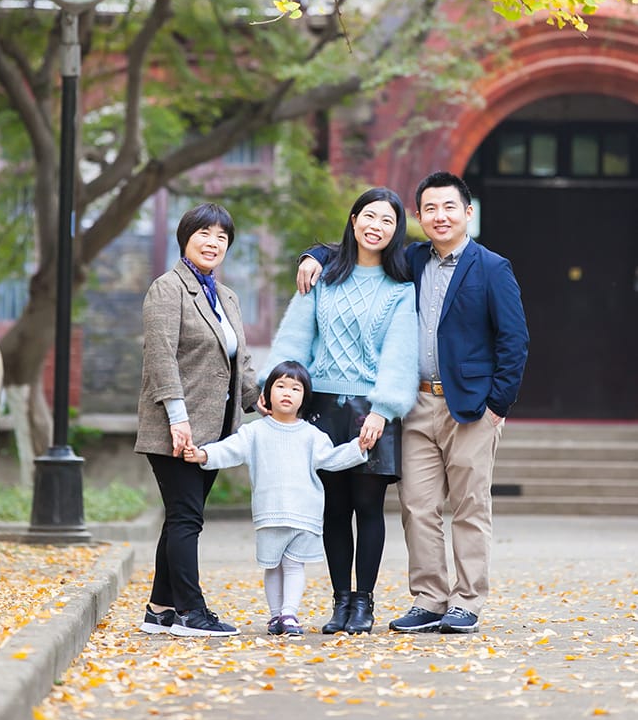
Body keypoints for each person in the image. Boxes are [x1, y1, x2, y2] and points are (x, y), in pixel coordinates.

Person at [297, 171, 529, 635]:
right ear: (419, 217)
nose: (439, 217)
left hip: (471, 409)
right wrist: (313, 255)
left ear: (467, 212)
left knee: (468, 507)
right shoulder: (412, 259)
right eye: (430, 210)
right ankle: (429, 599)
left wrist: (496, 407)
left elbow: (514, 341)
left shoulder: (492, 267)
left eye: (449, 208)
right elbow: (359, 245)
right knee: (417, 507)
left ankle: (466, 600)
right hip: (416, 405)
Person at [262, 187, 419, 635]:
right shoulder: (322, 277)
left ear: (396, 231)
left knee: (369, 507)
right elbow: (295, 337)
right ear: (353, 221)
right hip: (322, 407)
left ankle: (364, 603)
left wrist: (382, 409)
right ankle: (339, 602)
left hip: (371, 409)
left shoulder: (400, 288)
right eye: (369, 216)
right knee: (332, 508)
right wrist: (272, 386)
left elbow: (400, 353)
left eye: (387, 221)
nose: (376, 226)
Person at [135, 203, 260, 638]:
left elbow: (239, 358)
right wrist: (176, 416)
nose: (213, 242)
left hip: (216, 430)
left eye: (222, 236)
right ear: (186, 237)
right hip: (176, 428)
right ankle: (192, 611)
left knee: (181, 517)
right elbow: (160, 357)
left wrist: (256, 400)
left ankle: (160, 609)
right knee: (188, 518)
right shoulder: (167, 289)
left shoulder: (226, 297)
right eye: (204, 233)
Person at [183, 360, 370, 637]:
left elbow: (332, 459)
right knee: (272, 565)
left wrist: (358, 448)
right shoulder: (255, 432)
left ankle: (289, 613)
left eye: (295, 388)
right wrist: (205, 455)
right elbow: (230, 449)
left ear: (305, 397)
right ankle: (275, 616)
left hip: (303, 512)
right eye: (280, 386)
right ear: (267, 393)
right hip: (269, 512)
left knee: (294, 565)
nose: (287, 392)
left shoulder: (312, 435)